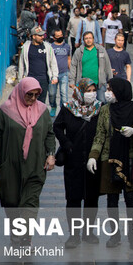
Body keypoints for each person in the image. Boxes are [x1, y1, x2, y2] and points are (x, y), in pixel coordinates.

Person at [0, 78, 56, 246]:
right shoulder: (6, 111)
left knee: (30, 202)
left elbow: (49, 133)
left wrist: (50, 154)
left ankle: (26, 237)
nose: (33, 99)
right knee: (11, 201)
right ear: (21, 92)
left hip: (35, 164)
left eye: (36, 95)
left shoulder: (42, 111)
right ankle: (15, 231)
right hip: (10, 164)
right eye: (29, 95)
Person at [87, 78, 133, 249]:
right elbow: (100, 135)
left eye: (111, 89)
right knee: (112, 200)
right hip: (108, 159)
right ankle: (115, 235)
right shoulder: (105, 110)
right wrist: (93, 156)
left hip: (129, 157)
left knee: (130, 198)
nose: (107, 92)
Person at [53, 78, 102, 248]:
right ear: (80, 91)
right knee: (73, 199)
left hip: (93, 161)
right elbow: (57, 127)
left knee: (91, 198)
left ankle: (88, 233)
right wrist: (66, 144)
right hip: (73, 162)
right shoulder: (68, 108)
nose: (91, 93)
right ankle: (74, 235)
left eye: (93, 90)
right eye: (87, 90)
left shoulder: (99, 108)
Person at [17, 26, 59, 103]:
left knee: (41, 103)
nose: (42, 37)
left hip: (44, 80)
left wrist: (54, 76)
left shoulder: (48, 46)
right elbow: (21, 64)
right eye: (40, 35)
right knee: (29, 102)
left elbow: (53, 62)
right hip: (30, 79)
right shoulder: (26, 47)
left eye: (43, 35)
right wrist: (20, 79)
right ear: (33, 36)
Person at [69, 31, 113, 103]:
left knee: (101, 102)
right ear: (83, 40)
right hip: (83, 84)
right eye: (86, 38)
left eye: (90, 38)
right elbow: (73, 66)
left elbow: (108, 65)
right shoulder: (79, 51)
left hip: (99, 83)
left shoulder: (101, 50)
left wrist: (111, 81)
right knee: (83, 103)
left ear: (93, 39)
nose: (88, 40)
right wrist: (71, 81)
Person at [48, 29, 71, 117]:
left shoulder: (67, 46)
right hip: (53, 75)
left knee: (64, 94)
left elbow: (69, 58)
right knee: (52, 94)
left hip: (64, 73)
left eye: (61, 35)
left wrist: (71, 71)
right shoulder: (51, 47)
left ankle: (63, 111)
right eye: (58, 36)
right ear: (54, 38)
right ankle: (53, 106)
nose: (61, 37)